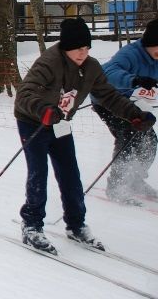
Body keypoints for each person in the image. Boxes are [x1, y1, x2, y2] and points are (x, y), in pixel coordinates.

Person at [14, 17, 156, 254]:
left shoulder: (91, 67)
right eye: (78, 48)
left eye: (87, 47)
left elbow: (109, 96)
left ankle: (76, 225)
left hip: (60, 123)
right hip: (33, 122)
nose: (83, 53)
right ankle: (32, 225)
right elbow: (25, 94)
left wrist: (135, 114)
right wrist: (42, 109)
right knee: (39, 173)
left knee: (70, 175)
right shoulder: (49, 63)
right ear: (66, 46)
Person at [92, 18, 158, 204]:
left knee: (150, 141)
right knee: (128, 135)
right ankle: (117, 186)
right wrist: (134, 80)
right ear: (150, 43)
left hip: (133, 104)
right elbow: (107, 73)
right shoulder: (130, 54)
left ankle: (135, 179)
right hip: (108, 100)